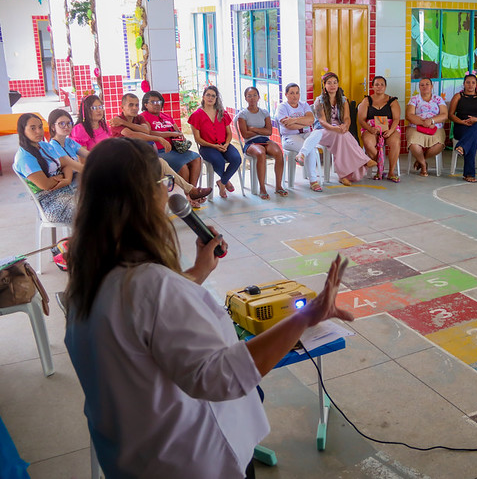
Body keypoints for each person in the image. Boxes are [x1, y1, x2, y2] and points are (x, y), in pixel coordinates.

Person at [63, 137, 354, 479]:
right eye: (165, 182)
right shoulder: (152, 285)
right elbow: (220, 378)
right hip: (192, 461)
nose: (170, 192)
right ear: (144, 199)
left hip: (131, 454)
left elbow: (144, 322)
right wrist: (305, 316)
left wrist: (199, 271)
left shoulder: (88, 279)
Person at [113, 93, 212, 206]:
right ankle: (190, 193)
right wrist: (160, 138)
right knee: (178, 165)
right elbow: (131, 134)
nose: (134, 108)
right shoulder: (117, 121)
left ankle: (192, 193)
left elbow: (145, 130)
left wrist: (125, 123)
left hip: (144, 156)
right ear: (122, 107)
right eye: (131, 105)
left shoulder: (140, 118)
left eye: (136, 105)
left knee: (195, 158)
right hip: (126, 160)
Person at [307, 72, 376, 186]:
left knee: (343, 135)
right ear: (324, 85)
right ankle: (363, 161)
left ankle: (344, 175)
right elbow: (322, 121)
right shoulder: (319, 101)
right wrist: (336, 129)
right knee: (341, 136)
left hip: (338, 130)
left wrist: (345, 127)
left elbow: (347, 118)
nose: (332, 85)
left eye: (335, 82)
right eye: (329, 83)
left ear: (338, 84)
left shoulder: (343, 100)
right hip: (322, 131)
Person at [13, 113, 76, 223]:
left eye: (40, 127)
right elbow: (45, 185)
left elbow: (66, 165)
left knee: (104, 201)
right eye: (33, 128)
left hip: (68, 190)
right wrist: (63, 176)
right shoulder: (24, 157)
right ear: (23, 131)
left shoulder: (45, 146)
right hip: (51, 202)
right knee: (92, 212)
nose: (38, 131)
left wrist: (67, 180)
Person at [140, 90, 203, 190]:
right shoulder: (143, 117)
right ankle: (188, 195)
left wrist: (181, 136)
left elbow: (177, 131)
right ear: (146, 104)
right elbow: (149, 132)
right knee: (182, 166)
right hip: (159, 151)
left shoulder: (167, 116)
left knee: (196, 158)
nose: (157, 104)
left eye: (159, 102)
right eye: (153, 102)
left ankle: (192, 192)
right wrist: (171, 134)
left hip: (174, 149)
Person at [188, 86, 242, 198]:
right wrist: (214, 146)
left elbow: (229, 133)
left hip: (223, 144)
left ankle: (221, 182)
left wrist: (226, 144)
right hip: (207, 147)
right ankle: (225, 181)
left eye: (213, 96)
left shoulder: (222, 113)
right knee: (219, 161)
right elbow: (198, 139)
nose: (210, 98)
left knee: (236, 158)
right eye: (208, 95)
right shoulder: (196, 115)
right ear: (203, 97)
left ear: (216, 98)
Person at [235, 86, 287, 199]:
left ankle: (278, 186)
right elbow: (245, 134)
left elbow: (269, 131)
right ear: (245, 98)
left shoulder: (264, 112)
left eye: (254, 95)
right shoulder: (243, 114)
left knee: (278, 152)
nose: (252, 98)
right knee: (260, 153)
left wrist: (253, 129)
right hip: (250, 143)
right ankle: (262, 188)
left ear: (258, 97)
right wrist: (260, 131)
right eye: (249, 96)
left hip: (265, 140)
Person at [274, 83, 323, 192]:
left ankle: (302, 154)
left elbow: (311, 120)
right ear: (286, 94)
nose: (295, 96)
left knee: (319, 132)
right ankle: (313, 181)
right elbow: (288, 126)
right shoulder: (282, 107)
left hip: (305, 134)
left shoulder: (304, 105)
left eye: (297, 93)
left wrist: (294, 120)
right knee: (310, 149)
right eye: (291, 93)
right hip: (289, 137)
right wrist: (303, 122)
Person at [449, 73, 477, 183]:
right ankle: (469, 174)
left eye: (473, 82)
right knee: (472, 138)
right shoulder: (458, 96)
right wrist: (462, 122)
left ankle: (461, 146)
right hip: (462, 126)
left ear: (476, 84)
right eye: (468, 82)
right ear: (464, 84)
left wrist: (476, 120)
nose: (470, 85)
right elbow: (451, 115)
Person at [357, 76, 401, 182]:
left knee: (395, 142)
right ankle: (380, 167)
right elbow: (361, 120)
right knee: (367, 142)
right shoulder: (367, 100)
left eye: (382, 85)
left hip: (390, 128)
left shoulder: (392, 101)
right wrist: (370, 129)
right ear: (372, 86)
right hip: (372, 129)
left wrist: (390, 131)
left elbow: (396, 119)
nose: (379, 87)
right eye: (376, 84)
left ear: (385, 87)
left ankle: (391, 172)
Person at [406, 78, 447, 177]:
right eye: (422, 85)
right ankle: (424, 165)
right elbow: (409, 115)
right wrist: (423, 122)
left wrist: (432, 121)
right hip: (416, 127)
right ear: (419, 87)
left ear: (432, 86)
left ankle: (420, 160)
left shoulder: (438, 99)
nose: (425, 87)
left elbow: (444, 115)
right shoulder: (414, 99)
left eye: (427, 84)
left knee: (439, 144)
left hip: (435, 127)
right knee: (413, 143)